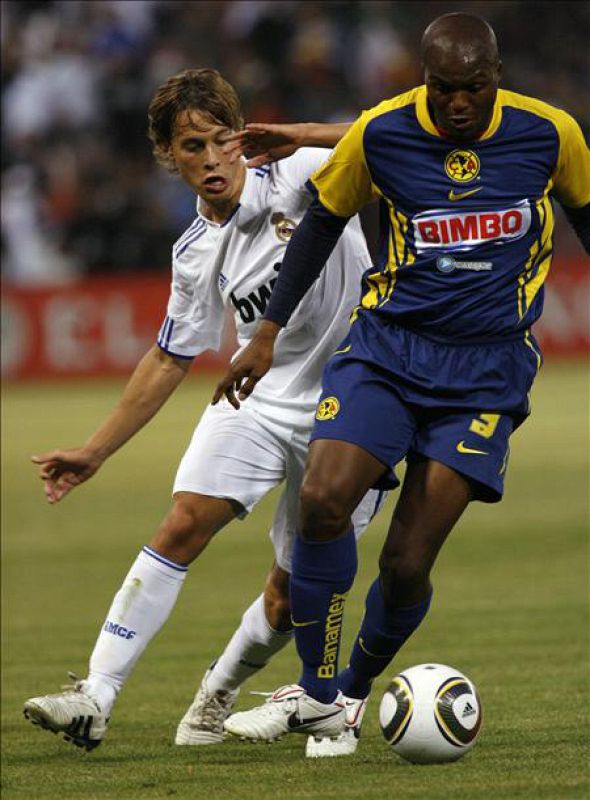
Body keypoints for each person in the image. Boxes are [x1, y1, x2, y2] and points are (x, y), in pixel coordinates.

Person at [214, 12, 590, 752]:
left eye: (473, 88)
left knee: (407, 562)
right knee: (322, 499)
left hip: (486, 371)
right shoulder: (382, 133)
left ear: (497, 76)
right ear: (424, 80)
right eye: (443, 88)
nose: (458, 103)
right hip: (387, 350)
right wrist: (265, 333)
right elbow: (321, 223)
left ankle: (352, 695)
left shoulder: (552, 135)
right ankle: (318, 696)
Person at [23, 68, 385, 756]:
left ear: (243, 136)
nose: (213, 159)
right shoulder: (193, 251)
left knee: (290, 594)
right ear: (170, 155)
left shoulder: (299, 171)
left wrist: (304, 133)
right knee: (183, 521)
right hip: (257, 396)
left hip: (355, 402)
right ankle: (96, 694)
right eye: (193, 147)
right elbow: (169, 358)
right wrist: (95, 450)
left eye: (223, 140)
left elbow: (390, 134)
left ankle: (217, 692)